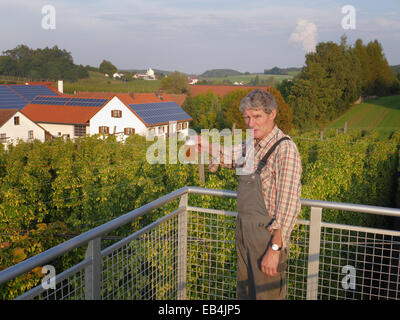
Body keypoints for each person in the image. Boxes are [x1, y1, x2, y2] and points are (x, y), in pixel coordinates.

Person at [197, 89, 302, 300]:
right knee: (245, 294)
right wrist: (205, 145)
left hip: (267, 238)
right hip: (245, 234)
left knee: (267, 296)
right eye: (246, 117)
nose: (250, 123)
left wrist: (274, 250)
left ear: (271, 114)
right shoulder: (252, 145)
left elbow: (288, 206)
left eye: (256, 117)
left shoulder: (285, 150)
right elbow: (231, 157)